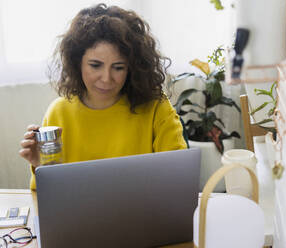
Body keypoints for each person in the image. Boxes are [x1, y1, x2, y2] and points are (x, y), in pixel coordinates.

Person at [19, 3, 187, 190]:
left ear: (131, 68)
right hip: (77, 217)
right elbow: (47, 195)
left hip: (142, 216)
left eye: (118, 67)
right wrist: (40, 165)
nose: (106, 79)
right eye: (95, 65)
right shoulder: (59, 112)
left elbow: (178, 179)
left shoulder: (156, 108)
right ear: (78, 63)